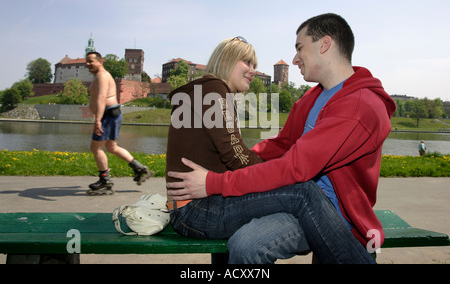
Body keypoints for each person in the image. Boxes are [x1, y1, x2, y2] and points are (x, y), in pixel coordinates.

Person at [166, 31, 380, 264]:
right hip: (198, 209)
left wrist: (266, 172)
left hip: (194, 206)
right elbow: (237, 156)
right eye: (246, 62)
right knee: (303, 191)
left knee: (286, 197)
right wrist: (274, 173)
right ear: (226, 60)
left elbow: (240, 154)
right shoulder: (214, 91)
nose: (253, 70)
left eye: (254, 65)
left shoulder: (204, 91)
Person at [86, 51, 152, 195]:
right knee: (111, 146)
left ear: (100, 61)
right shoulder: (99, 75)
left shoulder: (102, 76)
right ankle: (139, 168)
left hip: (107, 115)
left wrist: (97, 120)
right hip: (111, 114)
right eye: (87, 60)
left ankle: (105, 181)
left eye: (91, 61)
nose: (87, 63)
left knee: (96, 148)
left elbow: (102, 97)